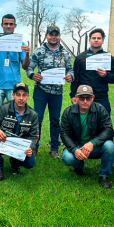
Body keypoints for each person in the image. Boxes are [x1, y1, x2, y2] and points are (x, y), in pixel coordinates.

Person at [26, 25, 73, 159]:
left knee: (55, 120)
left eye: (56, 34)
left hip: (57, 92)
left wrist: (71, 76)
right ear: (46, 35)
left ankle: (54, 148)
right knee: (37, 119)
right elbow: (29, 67)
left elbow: (70, 69)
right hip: (41, 90)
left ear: (59, 36)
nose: (53, 37)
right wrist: (32, 75)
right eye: (51, 34)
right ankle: (34, 147)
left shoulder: (65, 53)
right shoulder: (39, 51)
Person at [59, 85, 114, 189]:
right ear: (76, 97)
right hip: (78, 146)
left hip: (95, 146)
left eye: (88, 98)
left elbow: (109, 130)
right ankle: (78, 166)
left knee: (110, 146)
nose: (85, 101)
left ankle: (104, 175)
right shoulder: (68, 111)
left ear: (93, 98)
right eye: (81, 98)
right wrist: (75, 149)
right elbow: (64, 133)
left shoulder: (100, 109)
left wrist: (92, 143)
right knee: (67, 157)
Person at [0, 82, 40, 181]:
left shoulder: (33, 115)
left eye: (24, 95)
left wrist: (30, 148)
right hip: (4, 141)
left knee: (30, 163)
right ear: (13, 95)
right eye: (18, 95)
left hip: (20, 146)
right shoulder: (3, 108)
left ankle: (15, 163)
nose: (21, 98)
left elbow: (34, 136)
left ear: (28, 96)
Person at [0, 14, 31, 117]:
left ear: (15, 25)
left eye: (11, 24)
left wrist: (28, 54)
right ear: (2, 25)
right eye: (6, 24)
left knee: (15, 115)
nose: (8, 26)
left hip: (14, 86)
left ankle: (12, 133)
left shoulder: (20, 43)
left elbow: (25, 66)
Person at [69, 28, 114, 115]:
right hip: (84, 96)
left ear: (103, 41)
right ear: (89, 40)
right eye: (93, 38)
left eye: (99, 38)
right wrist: (73, 95)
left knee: (104, 125)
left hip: (101, 97)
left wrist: (106, 75)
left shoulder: (109, 58)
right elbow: (75, 78)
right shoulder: (81, 58)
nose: (96, 40)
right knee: (82, 124)